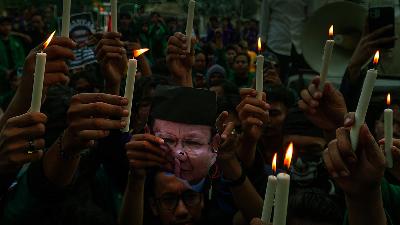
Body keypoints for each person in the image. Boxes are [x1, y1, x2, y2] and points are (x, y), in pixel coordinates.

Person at [0, 16, 25, 111]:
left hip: (16, 77)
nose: (6, 27)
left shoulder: (16, 41)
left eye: (8, 25)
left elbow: (22, 59)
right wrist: (4, 71)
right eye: (3, 25)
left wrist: (17, 71)